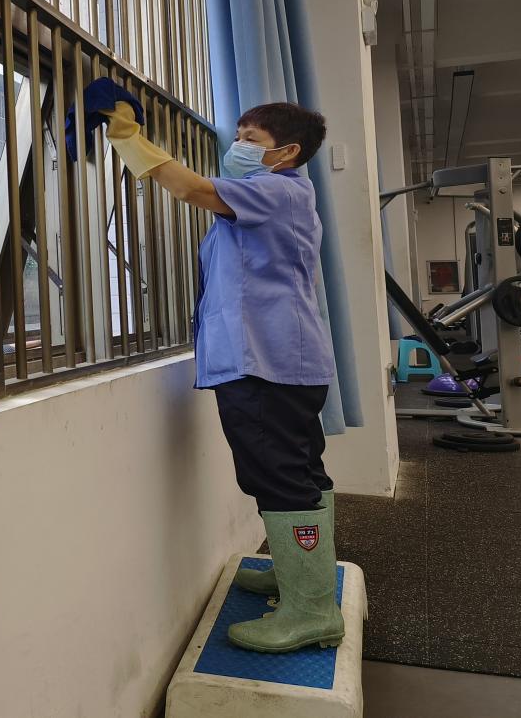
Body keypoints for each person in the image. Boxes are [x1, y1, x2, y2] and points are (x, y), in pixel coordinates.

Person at [100, 97, 341, 654]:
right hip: (282, 361)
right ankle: (297, 575)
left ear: (287, 152)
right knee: (300, 470)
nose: (238, 146)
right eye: (238, 135)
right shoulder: (277, 196)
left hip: (267, 364)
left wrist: (127, 138)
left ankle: (311, 612)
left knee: (279, 477)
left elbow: (191, 189)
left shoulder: (277, 190)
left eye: (251, 139)